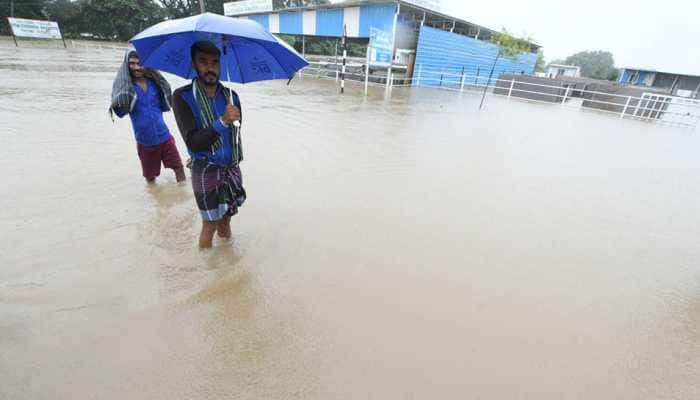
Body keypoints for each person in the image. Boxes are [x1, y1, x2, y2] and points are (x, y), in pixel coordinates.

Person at [172, 41, 246, 249]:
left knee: (227, 218)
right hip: (205, 169)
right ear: (194, 64)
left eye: (215, 62)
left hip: (231, 167)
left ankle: (228, 262)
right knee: (209, 223)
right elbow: (193, 142)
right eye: (203, 62)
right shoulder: (182, 96)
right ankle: (208, 273)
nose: (210, 67)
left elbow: (236, 136)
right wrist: (222, 122)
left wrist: (229, 121)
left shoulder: (232, 97)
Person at [110, 50, 186, 183]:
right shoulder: (126, 89)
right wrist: (119, 102)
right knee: (150, 178)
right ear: (127, 66)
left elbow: (167, 101)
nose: (136, 67)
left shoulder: (156, 84)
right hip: (145, 142)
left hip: (165, 137)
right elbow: (121, 113)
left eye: (140, 63)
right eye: (132, 64)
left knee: (179, 168)